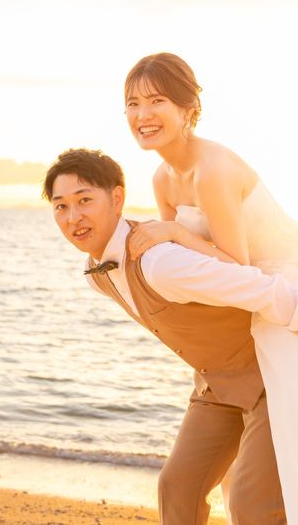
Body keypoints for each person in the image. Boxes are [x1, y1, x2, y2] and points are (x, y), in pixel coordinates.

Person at [42, 148, 295, 524]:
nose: (73, 217)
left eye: (84, 200)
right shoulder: (97, 275)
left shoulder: (162, 262)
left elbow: (263, 289)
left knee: (252, 505)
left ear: (116, 199)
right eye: (61, 206)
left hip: (272, 377)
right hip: (217, 384)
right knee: (177, 488)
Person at [124, 52, 298, 523]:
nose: (142, 115)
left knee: (257, 493)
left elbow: (237, 268)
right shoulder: (162, 178)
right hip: (243, 319)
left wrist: (173, 232)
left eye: (156, 101)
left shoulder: (213, 169)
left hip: (282, 301)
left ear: (188, 108)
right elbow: (190, 270)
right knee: (189, 484)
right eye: (133, 104)